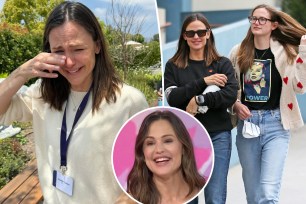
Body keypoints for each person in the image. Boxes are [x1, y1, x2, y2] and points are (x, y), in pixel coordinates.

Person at [0, 1, 148, 203]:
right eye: (58, 51)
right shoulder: (42, 94)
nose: (68, 62)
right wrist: (22, 73)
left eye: (77, 49)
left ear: (97, 45)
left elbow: (148, 169)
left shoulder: (128, 101)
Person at [229, 4, 306, 203]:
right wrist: (236, 104)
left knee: (268, 194)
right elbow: (229, 89)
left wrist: (304, 53)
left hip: (277, 125)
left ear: (273, 25)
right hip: (247, 127)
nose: (257, 22)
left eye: (262, 19)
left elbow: (300, 86)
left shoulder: (286, 53)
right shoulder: (238, 52)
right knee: (254, 196)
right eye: (254, 18)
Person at [164, 13, 237, 204]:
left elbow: (229, 96)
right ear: (184, 36)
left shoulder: (222, 64)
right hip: (186, 139)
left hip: (218, 136)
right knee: (189, 197)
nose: (196, 36)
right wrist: (203, 82)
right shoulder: (173, 66)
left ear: (208, 34)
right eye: (191, 33)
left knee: (215, 196)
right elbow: (173, 98)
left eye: (201, 32)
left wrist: (199, 99)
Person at [127, 110, 206, 204]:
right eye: (150, 143)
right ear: (142, 154)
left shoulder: (207, 195)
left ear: (184, 148)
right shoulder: (130, 200)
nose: (159, 150)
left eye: (167, 141)